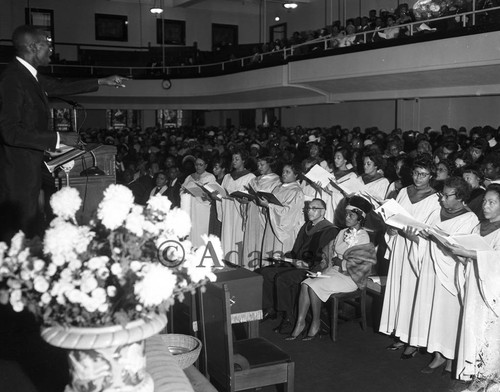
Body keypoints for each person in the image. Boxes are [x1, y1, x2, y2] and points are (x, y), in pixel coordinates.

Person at [0, 25, 126, 242]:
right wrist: (58, 138)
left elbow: (59, 86)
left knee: (34, 225)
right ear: (32, 46)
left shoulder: (29, 76)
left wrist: (101, 81)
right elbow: (9, 131)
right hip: (16, 171)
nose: (51, 48)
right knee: (17, 233)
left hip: (32, 165)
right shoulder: (12, 79)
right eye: (47, 43)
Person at [406, 177, 479, 374]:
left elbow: (461, 251)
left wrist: (437, 239)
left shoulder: (470, 219)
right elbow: (425, 236)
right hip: (431, 268)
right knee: (432, 312)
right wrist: (415, 236)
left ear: (461, 197)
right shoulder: (436, 212)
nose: (442, 200)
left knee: (447, 315)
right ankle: (437, 355)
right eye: (442, 195)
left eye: (447, 196)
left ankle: (450, 357)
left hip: (450, 274)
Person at [286, 196, 375, 340]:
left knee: (313, 287)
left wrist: (342, 263)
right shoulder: (342, 232)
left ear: (359, 219)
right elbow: (330, 252)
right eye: (346, 214)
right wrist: (326, 263)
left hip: (350, 277)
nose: (347, 217)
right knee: (305, 284)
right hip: (334, 271)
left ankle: (315, 322)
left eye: (351, 215)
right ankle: (300, 323)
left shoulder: (363, 237)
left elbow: (362, 262)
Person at [380, 154, 440, 357]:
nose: (418, 178)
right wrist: (391, 228)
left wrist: (416, 237)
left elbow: (433, 230)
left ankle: (413, 341)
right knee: (399, 290)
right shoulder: (404, 191)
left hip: (417, 250)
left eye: (423, 174)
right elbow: (394, 216)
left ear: (431, 176)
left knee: (413, 293)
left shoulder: (435, 199)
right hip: (400, 247)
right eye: (415, 173)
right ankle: (399, 333)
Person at [444, 184, 500, 390]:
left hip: (492, 292)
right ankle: (477, 377)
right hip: (475, 286)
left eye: (492, 202)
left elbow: (497, 260)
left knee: (489, 334)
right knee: (474, 329)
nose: (485, 206)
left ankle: (490, 380)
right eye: (485, 201)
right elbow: (472, 253)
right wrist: (462, 255)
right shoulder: (479, 227)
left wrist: (470, 255)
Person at [260, 163, 305, 265]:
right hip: (272, 224)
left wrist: (269, 206)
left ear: (296, 175)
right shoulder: (278, 188)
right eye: (283, 171)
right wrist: (266, 207)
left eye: (288, 172)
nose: (284, 174)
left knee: (279, 255)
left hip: (284, 229)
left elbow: (289, 212)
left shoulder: (296, 192)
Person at [217, 149, 255, 264]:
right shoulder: (228, 176)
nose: (234, 161)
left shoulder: (250, 177)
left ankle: (238, 261)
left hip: (240, 212)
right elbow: (222, 192)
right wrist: (217, 197)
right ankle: (226, 259)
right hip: (228, 209)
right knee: (227, 234)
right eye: (233, 159)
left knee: (238, 235)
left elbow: (251, 197)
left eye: (237, 159)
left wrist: (243, 200)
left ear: (243, 160)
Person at [242, 156, 281, 269]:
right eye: (258, 165)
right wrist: (246, 199)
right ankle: (249, 266)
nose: (259, 167)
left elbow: (275, 198)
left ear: (270, 165)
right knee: (251, 238)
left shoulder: (276, 180)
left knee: (261, 240)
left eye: (262, 164)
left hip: (264, 214)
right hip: (253, 210)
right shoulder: (254, 180)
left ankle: (260, 267)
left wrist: (266, 204)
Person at [180, 154, 216, 248]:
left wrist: (199, 193)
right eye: (196, 164)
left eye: (201, 164)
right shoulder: (189, 177)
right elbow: (181, 189)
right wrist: (185, 191)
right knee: (190, 231)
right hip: (190, 208)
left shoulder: (210, 177)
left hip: (202, 210)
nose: (198, 167)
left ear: (206, 165)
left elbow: (211, 193)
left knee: (200, 232)